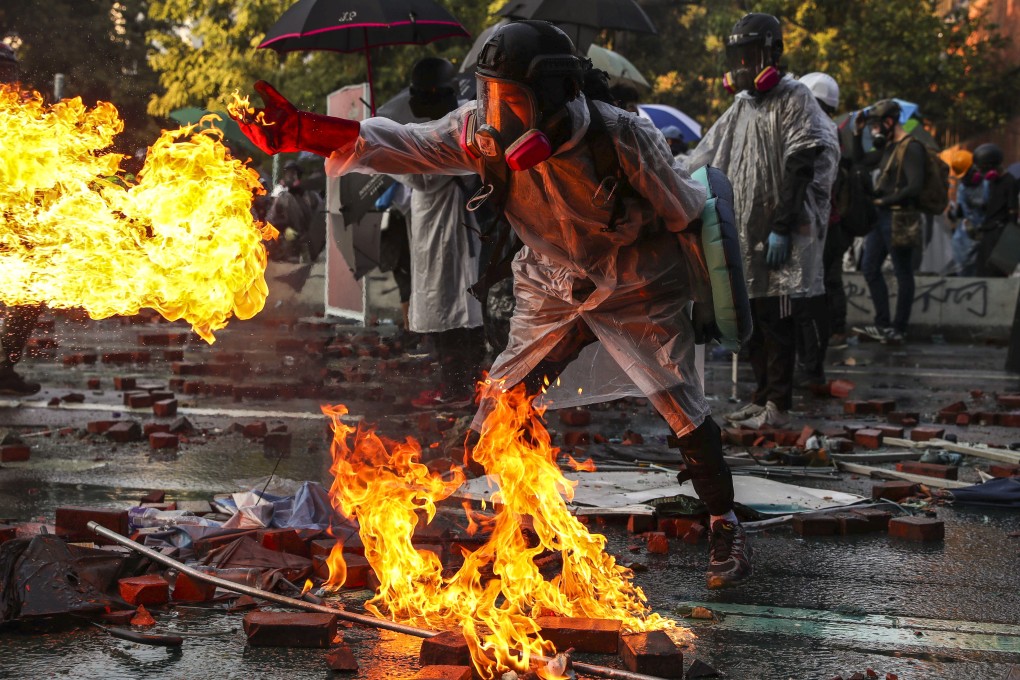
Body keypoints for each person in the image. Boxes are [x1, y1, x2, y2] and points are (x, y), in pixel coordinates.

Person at [232, 20, 753, 589]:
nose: (494, 114)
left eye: (511, 99)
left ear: (552, 97)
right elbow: (399, 143)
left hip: (634, 282)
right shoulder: (478, 133)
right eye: (486, 94)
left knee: (680, 406)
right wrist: (307, 131)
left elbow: (683, 213)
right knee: (499, 417)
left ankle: (725, 524)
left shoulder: (623, 136)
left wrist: (693, 283)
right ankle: (531, 533)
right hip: (550, 283)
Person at [688, 14, 839, 425]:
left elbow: (801, 163)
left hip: (781, 233)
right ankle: (759, 396)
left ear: (773, 54)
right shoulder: (741, 106)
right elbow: (705, 154)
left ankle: (779, 402)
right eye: (737, 57)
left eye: (750, 56)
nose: (742, 67)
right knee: (751, 317)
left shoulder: (796, 99)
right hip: (744, 232)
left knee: (779, 318)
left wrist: (781, 226)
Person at [392, 57, 486, 407]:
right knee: (444, 309)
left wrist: (395, 152)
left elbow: (424, 177)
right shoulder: (439, 127)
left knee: (457, 313)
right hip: (433, 226)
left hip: (452, 227)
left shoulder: (459, 127)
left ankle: (460, 388)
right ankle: (458, 386)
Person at [851, 99, 924, 344]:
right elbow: (860, 161)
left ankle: (898, 328)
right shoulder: (888, 148)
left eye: (876, 125)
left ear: (890, 122)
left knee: (903, 272)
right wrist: (857, 132)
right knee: (870, 268)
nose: (875, 130)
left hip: (899, 217)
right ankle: (883, 325)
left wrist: (886, 201)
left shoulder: (910, 148)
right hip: (881, 217)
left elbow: (915, 186)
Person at [0, 44, 43, 396]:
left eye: (10, 73)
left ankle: (3, 367)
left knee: (30, 294)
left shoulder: (22, 115)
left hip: (16, 222)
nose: (7, 80)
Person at [952, 143, 1018, 276]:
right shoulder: (989, 184)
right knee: (980, 270)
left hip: (999, 233)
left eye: (982, 169)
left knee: (996, 272)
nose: (980, 173)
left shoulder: (1009, 182)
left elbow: (1012, 212)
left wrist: (1010, 237)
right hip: (986, 232)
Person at [265, 160, 323, 262]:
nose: (292, 176)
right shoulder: (281, 195)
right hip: (288, 241)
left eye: (295, 173)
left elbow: (320, 217)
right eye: (289, 173)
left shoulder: (310, 195)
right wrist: (284, 229)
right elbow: (271, 220)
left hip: (309, 241)